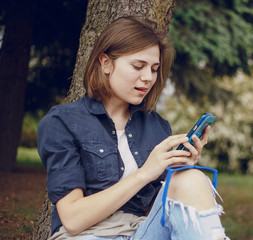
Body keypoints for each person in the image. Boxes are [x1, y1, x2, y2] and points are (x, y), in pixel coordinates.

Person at [37, 16, 229, 240]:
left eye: (154, 69)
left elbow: (156, 211)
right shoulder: (62, 123)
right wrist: (145, 173)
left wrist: (178, 175)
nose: (148, 77)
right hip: (88, 235)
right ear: (106, 63)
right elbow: (73, 219)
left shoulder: (157, 126)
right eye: (138, 66)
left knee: (191, 178)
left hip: (142, 232)